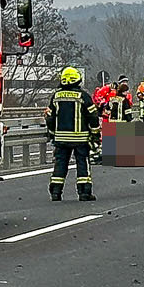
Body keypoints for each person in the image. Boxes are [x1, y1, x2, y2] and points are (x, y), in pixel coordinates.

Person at [45, 65, 99, 202]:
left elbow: (50, 117)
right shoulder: (83, 96)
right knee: (82, 164)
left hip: (61, 139)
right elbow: (93, 116)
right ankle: (84, 193)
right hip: (80, 138)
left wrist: (52, 134)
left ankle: (56, 192)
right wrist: (95, 134)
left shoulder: (56, 96)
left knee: (60, 164)